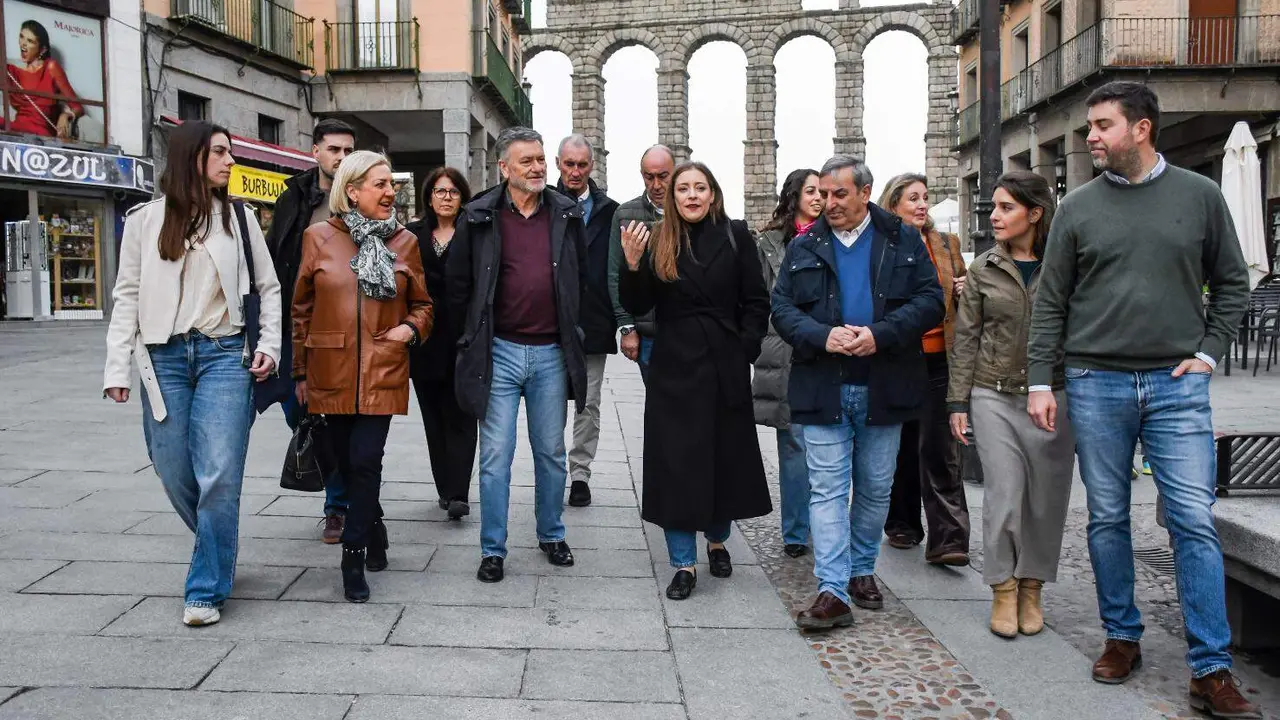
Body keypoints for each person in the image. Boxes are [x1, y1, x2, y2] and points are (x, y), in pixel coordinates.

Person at [1026, 82, 1258, 718]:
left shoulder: (1201, 195)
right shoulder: (1077, 208)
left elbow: (1234, 282)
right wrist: (1042, 380)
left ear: (1142, 128)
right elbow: (1051, 301)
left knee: (1193, 520)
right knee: (1106, 518)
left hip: (1176, 386)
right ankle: (1122, 637)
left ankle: (1210, 669)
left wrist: (1209, 353)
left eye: (1102, 126)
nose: (1091, 137)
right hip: (1096, 382)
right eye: (1090, 126)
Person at [103, 121, 282, 626]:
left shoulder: (240, 219)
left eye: (230, 153)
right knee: (174, 469)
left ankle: (205, 587)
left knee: (219, 473)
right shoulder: (143, 221)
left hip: (226, 355)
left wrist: (268, 345)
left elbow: (269, 289)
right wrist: (117, 365)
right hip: (162, 360)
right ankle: (219, 544)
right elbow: (127, 297)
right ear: (192, 157)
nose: (230, 161)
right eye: (220, 153)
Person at [772, 155, 944, 629]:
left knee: (874, 488)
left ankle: (862, 569)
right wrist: (821, 335)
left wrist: (881, 334)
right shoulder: (804, 245)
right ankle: (831, 590)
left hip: (884, 385)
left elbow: (932, 301)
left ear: (865, 193)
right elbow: (781, 308)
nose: (828, 203)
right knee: (827, 490)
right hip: (822, 385)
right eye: (823, 194)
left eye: (839, 194)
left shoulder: (902, 239)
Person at [619, 161, 772, 600]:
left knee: (724, 456)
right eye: (683, 188)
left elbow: (756, 300)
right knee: (677, 463)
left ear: (713, 194)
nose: (691, 195)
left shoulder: (735, 234)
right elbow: (640, 303)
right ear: (672, 196)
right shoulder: (658, 236)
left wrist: (744, 348)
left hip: (724, 361)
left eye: (699, 188)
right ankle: (682, 563)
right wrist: (632, 265)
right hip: (675, 366)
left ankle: (718, 538)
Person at [447, 126, 589, 584]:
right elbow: (458, 287)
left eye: (540, 159)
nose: (537, 168)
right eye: (526, 161)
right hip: (499, 353)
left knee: (551, 452)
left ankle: (551, 533)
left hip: (550, 352)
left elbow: (579, 278)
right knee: (495, 456)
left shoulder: (566, 213)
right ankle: (493, 549)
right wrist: (467, 341)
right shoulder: (479, 216)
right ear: (503, 168)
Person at [292, 151, 433, 603]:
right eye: (380, 184)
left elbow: (424, 305)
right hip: (329, 369)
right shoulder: (318, 237)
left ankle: (352, 559)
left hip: (383, 367)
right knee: (343, 463)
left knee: (366, 459)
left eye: (392, 184)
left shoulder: (405, 242)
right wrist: (299, 370)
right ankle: (373, 524)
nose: (391, 192)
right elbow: (301, 309)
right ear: (352, 191)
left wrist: (408, 330)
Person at [947, 170, 1074, 639]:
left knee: (1045, 501)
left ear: (1034, 214)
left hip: (1054, 396)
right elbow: (966, 340)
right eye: (993, 207)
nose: (994, 216)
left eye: (1005, 207)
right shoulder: (982, 268)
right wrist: (957, 401)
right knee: (1003, 496)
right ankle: (1003, 587)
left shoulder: (1065, 264)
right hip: (992, 394)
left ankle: (1032, 586)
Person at [262, 118, 356, 543]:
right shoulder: (295, 197)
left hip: (341, 329)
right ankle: (340, 487)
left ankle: (339, 505)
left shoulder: (361, 199)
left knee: (334, 421)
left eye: (348, 150)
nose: (341, 157)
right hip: (290, 325)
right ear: (315, 151)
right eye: (334, 149)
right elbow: (272, 258)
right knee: (300, 416)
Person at [878, 173, 971, 566]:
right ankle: (902, 524)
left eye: (925, 198)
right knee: (900, 446)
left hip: (939, 357)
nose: (921, 205)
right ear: (893, 204)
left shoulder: (947, 246)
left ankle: (949, 538)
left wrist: (967, 290)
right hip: (899, 356)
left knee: (940, 446)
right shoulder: (882, 246)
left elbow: (965, 299)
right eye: (912, 198)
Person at [753, 168, 820, 559]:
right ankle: (796, 531)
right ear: (794, 195)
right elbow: (760, 299)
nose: (819, 197)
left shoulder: (836, 238)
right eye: (811, 190)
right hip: (783, 351)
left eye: (823, 191)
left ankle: (824, 522)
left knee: (825, 445)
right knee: (793, 442)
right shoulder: (767, 244)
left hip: (825, 350)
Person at [406, 167, 477, 520]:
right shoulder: (411, 234)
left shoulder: (475, 231)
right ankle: (445, 490)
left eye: (453, 191)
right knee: (434, 420)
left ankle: (460, 493)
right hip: (425, 340)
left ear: (462, 196)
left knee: (461, 415)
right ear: (429, 196)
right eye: (439, 191)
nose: (446, 197)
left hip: (464, 338)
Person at [555, 134, 619, 508]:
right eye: (569, 164)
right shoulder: (544, 203)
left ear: (591, 166)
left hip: (593, 320)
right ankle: (553, 470)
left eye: (582, 164)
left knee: (588, 402)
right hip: (550, 320)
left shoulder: (610, 210)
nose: (575, 171)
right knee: (550, 402)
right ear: (559, 163)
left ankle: (580, 473)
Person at [609, 145, 675, 381]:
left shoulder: (691, 210)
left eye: (663, 176)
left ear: (675, 172)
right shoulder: (625, 214)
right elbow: (615, 274)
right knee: (658, 407)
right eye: (649, 177)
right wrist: (627, 327)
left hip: (689, 331)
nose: (656, 185)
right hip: (649, 333)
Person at [6, 20, 83, 139]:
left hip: (41, 134)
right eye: (22, 37)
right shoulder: (11, 71)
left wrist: (65, 115)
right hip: (17, 129)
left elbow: (77, 107)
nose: (23, 44)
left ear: (42, 50)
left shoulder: (51, 67)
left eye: (30, 41)